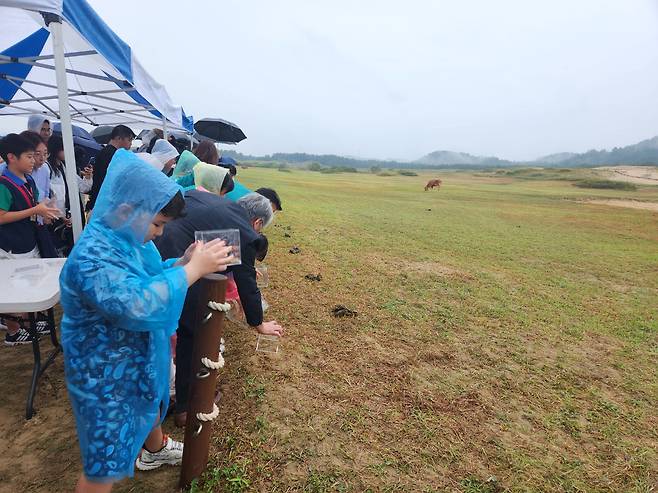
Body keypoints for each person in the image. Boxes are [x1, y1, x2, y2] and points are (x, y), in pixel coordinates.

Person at [59, 150, 236, 492]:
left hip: (130, 361)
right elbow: (135, 303)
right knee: (103, 464)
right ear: (127, 209)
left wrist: (180, 264)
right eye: (157, 224)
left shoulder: (131, 241)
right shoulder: (91, 256)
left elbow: (148, 279)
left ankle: (153, 449)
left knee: (149, 403)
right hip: (103, 376)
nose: (158, 233)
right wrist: (192, 270)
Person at [155, 192, 284, 425]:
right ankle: (187, 406)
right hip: (175, 259)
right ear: (256, 223)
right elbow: (247, 285)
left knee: (168, 331)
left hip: (155, 247)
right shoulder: (244, 231)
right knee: (191, 332)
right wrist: (259, 323)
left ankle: (169, 395)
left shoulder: (222, 207)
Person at [0, 134, 60, 345]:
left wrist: (43, 211)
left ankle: (29, 321)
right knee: (11, 288)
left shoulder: (29, 179)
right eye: (28, 156)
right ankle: (14, 331)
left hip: (28, 240)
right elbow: (1, 216)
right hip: (11, 246)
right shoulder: (4, 184)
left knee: (29, 284)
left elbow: (32, 206)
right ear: (11, 157)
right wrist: (35, 209)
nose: (33, 160)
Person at [47, 136, 93, 256]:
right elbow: (50, 196)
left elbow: (83, 187)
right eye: (64, 148)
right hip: (54, 219)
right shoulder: (46, 168)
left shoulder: (64, 167)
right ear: (56, 149)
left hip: (67, 217)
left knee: (69, 248)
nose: (68, 151)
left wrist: (88, 177)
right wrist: (61, 216)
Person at [86, 125, 135, 212]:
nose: (131, 143)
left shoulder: (109, 152)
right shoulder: (111, 154)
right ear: (119, 138)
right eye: (129, 140)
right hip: (103, 201)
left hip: (103, 200)